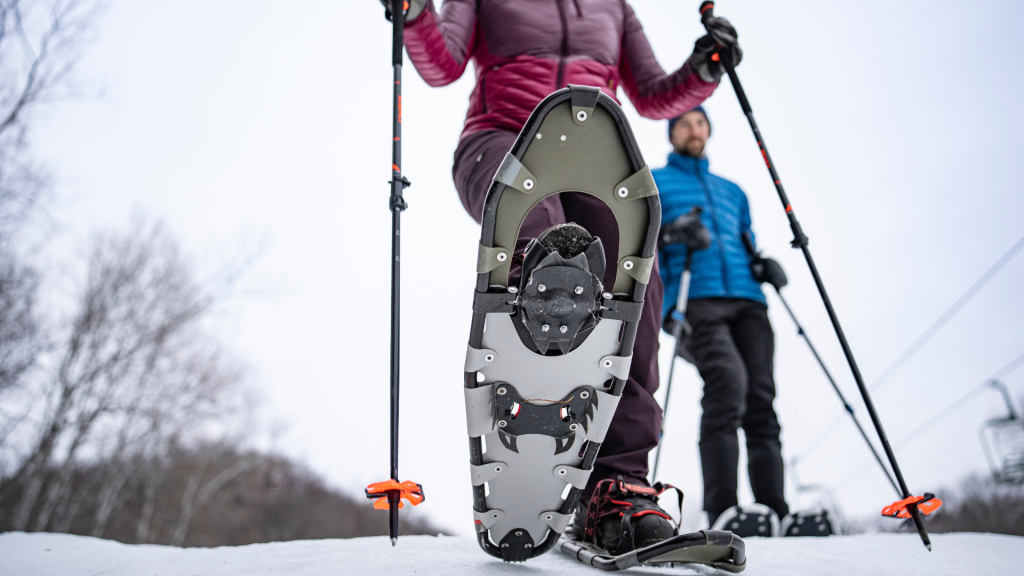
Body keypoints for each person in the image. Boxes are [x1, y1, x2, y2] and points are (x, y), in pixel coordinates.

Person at [381, 0, 742, 551]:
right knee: (547, 238)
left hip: (596, 155)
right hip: (504, 140)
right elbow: (442, 62)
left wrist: (703, 69)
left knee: (634, 275)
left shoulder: (614, 8)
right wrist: (413, 15)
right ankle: (533, 387)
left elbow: (650, 94)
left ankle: (617, 484)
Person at [653, 106, 791, 534]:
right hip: (694, 300)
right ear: (671, 133)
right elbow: (642, 239)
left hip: (749, 300)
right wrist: (674, 231)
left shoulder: (733, 191)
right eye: (684, 124)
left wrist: (764, 264)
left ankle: (774, 513)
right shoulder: (655, 183)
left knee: (761, 398)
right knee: (727, 384)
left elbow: (745, 240)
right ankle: (724, 512)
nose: (694, 130)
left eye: (700, 123)